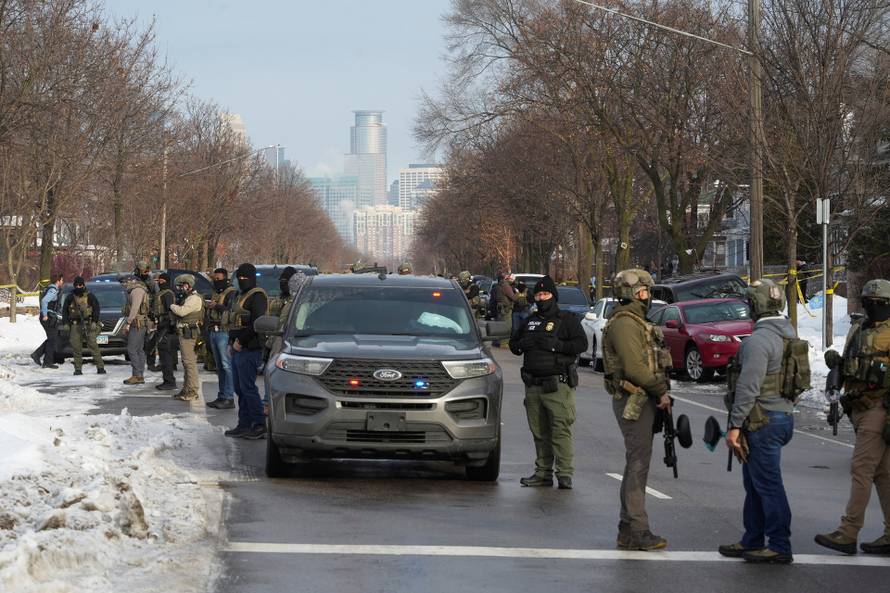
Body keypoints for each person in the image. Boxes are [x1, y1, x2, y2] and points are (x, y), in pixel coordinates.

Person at [719, 278, 795, 564]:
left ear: (756, 305)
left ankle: (779, 544)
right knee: (755, 483)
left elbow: (748, 387)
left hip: (761, 420)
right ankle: (752, 539)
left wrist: (735, 426)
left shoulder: (759, 341)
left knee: (768, 485)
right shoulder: (789, 336)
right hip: (781, 416)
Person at [815, 279, 890, 556]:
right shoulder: (858, 328)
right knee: (883, 474)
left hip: (879, 408)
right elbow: (851, 363)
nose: (872, 306)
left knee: (862, 470)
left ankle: (848, 532)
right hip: (857, 407)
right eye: (868, 301)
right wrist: (838, 365)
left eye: (879, 303)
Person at [601, 268, 672, 551]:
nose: (649, 296)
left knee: (637, 462)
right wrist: (660, 391)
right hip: (635, 401)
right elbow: (634, 369)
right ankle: (637, 530)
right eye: (645, 291)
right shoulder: (625, 324)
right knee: (638, 464)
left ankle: (627, 529)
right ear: (634, 292)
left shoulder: (634, 321)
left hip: (643, 400)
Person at [509, 276, 587, 490]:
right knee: (539, 432)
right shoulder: (530, 320)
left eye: (546, 295)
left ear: (554, 296)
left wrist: (556, 345)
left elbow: (581, 343)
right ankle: (543, 472)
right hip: (533, 385)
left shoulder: (567, 319)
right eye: (539, 295)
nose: (542, 298)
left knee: (560, 430)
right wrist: (522, 343)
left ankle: (564, 474)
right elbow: (513, 345)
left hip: (557, 385)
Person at [225, 263, 268, 439]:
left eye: (245, 278)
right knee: (239, 388)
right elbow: (233, 321)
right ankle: (244, 424)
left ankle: (258, 425)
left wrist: (240, 342)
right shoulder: (238, 295)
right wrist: (231, 342)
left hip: (250, 348)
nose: (242, 281)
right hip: (237, 348)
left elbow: (256, 324)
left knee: (248, 388)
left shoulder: (257, 296)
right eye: (239, 278)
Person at [204, 268, 237, 409]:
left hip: (224, 331)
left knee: (226, 365)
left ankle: (229, 397)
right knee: (219, 367)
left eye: (218, 279)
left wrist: (217, 306)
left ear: (226, 278)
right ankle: (222, 395)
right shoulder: (215, 293)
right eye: (214, 279)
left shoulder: (231, 293)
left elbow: (231, 312)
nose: (216, 282)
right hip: (214, 330)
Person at [169, 274, 204, 401]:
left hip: (189, 333)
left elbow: (182, 311)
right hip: (184, 332)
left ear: (188, 285)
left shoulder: (194, 299)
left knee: (189, 363)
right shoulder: (188, 297)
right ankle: (186, 388)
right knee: (186, 362)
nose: (179, 289)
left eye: (181, 286)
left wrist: (171, 306)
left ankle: (192, 390)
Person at [61, 276, 105, 375]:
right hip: (75, 325)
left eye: (80, 285)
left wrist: (94, 321)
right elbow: (65, 311)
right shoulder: (70, 297)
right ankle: (78, 369)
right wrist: (66, 323)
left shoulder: (90, 296)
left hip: (88, 324)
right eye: (76, 285)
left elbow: (96, 309)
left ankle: (100, 367)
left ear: (83, 285)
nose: (78, 286)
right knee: (76, 348)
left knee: (93, 346)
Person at [122, 261, 152, 385]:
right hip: (141, 322)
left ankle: (137, 375)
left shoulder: (136, 291)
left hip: (137, 322)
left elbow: (134, 308)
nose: (124, 285)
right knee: (139, 350)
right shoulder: (137, 290)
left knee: (132, 349)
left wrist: (128, 322)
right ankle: (139, 375)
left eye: (125, 282)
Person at [31, 273, 64, 369]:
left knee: (52, 338)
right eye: (62, 280)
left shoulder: (49, 288)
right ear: (58, 281)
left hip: (48, 316)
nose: (62, 282)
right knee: (53, 339)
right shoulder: (53, 290)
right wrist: (45, 315)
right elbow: (44, 301)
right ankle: (45, 361)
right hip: (47, 317)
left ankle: (39, 356)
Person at [152, 273, 179, 391]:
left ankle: (169, 381)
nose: (160, 283)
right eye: (159, 281)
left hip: (166, 328)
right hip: (162, 326)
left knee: (165, 356)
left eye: (162, 281)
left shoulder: (167, 294)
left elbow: (170, 311)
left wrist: (168, 325)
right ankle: (167, 380)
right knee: (163, 355)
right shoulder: (162, 293)